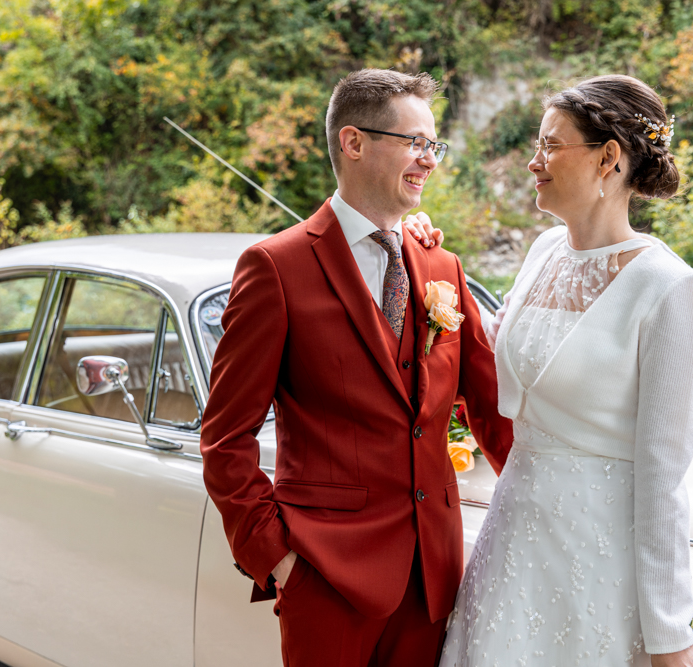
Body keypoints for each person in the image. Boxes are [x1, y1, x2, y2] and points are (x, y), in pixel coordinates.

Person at [199, 68, 514, 667]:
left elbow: (493, 411)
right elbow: (224, 438)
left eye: (434, 145)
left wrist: (546, 503)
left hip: (432, 579)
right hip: (326, 576)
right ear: (354, 142)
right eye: (415, 142)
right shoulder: (275, 267)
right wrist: (279, 559)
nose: (430, 159)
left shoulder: (442, 266)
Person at [407, 74, 693, 666]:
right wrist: (418, 248)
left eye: (550, 146)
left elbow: (663, 474)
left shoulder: (670, 287)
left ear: (608, 158)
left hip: (597, 563)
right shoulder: (544, 250)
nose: (533, 162)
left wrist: (670, 633)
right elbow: (484, 355)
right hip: (511, 542)